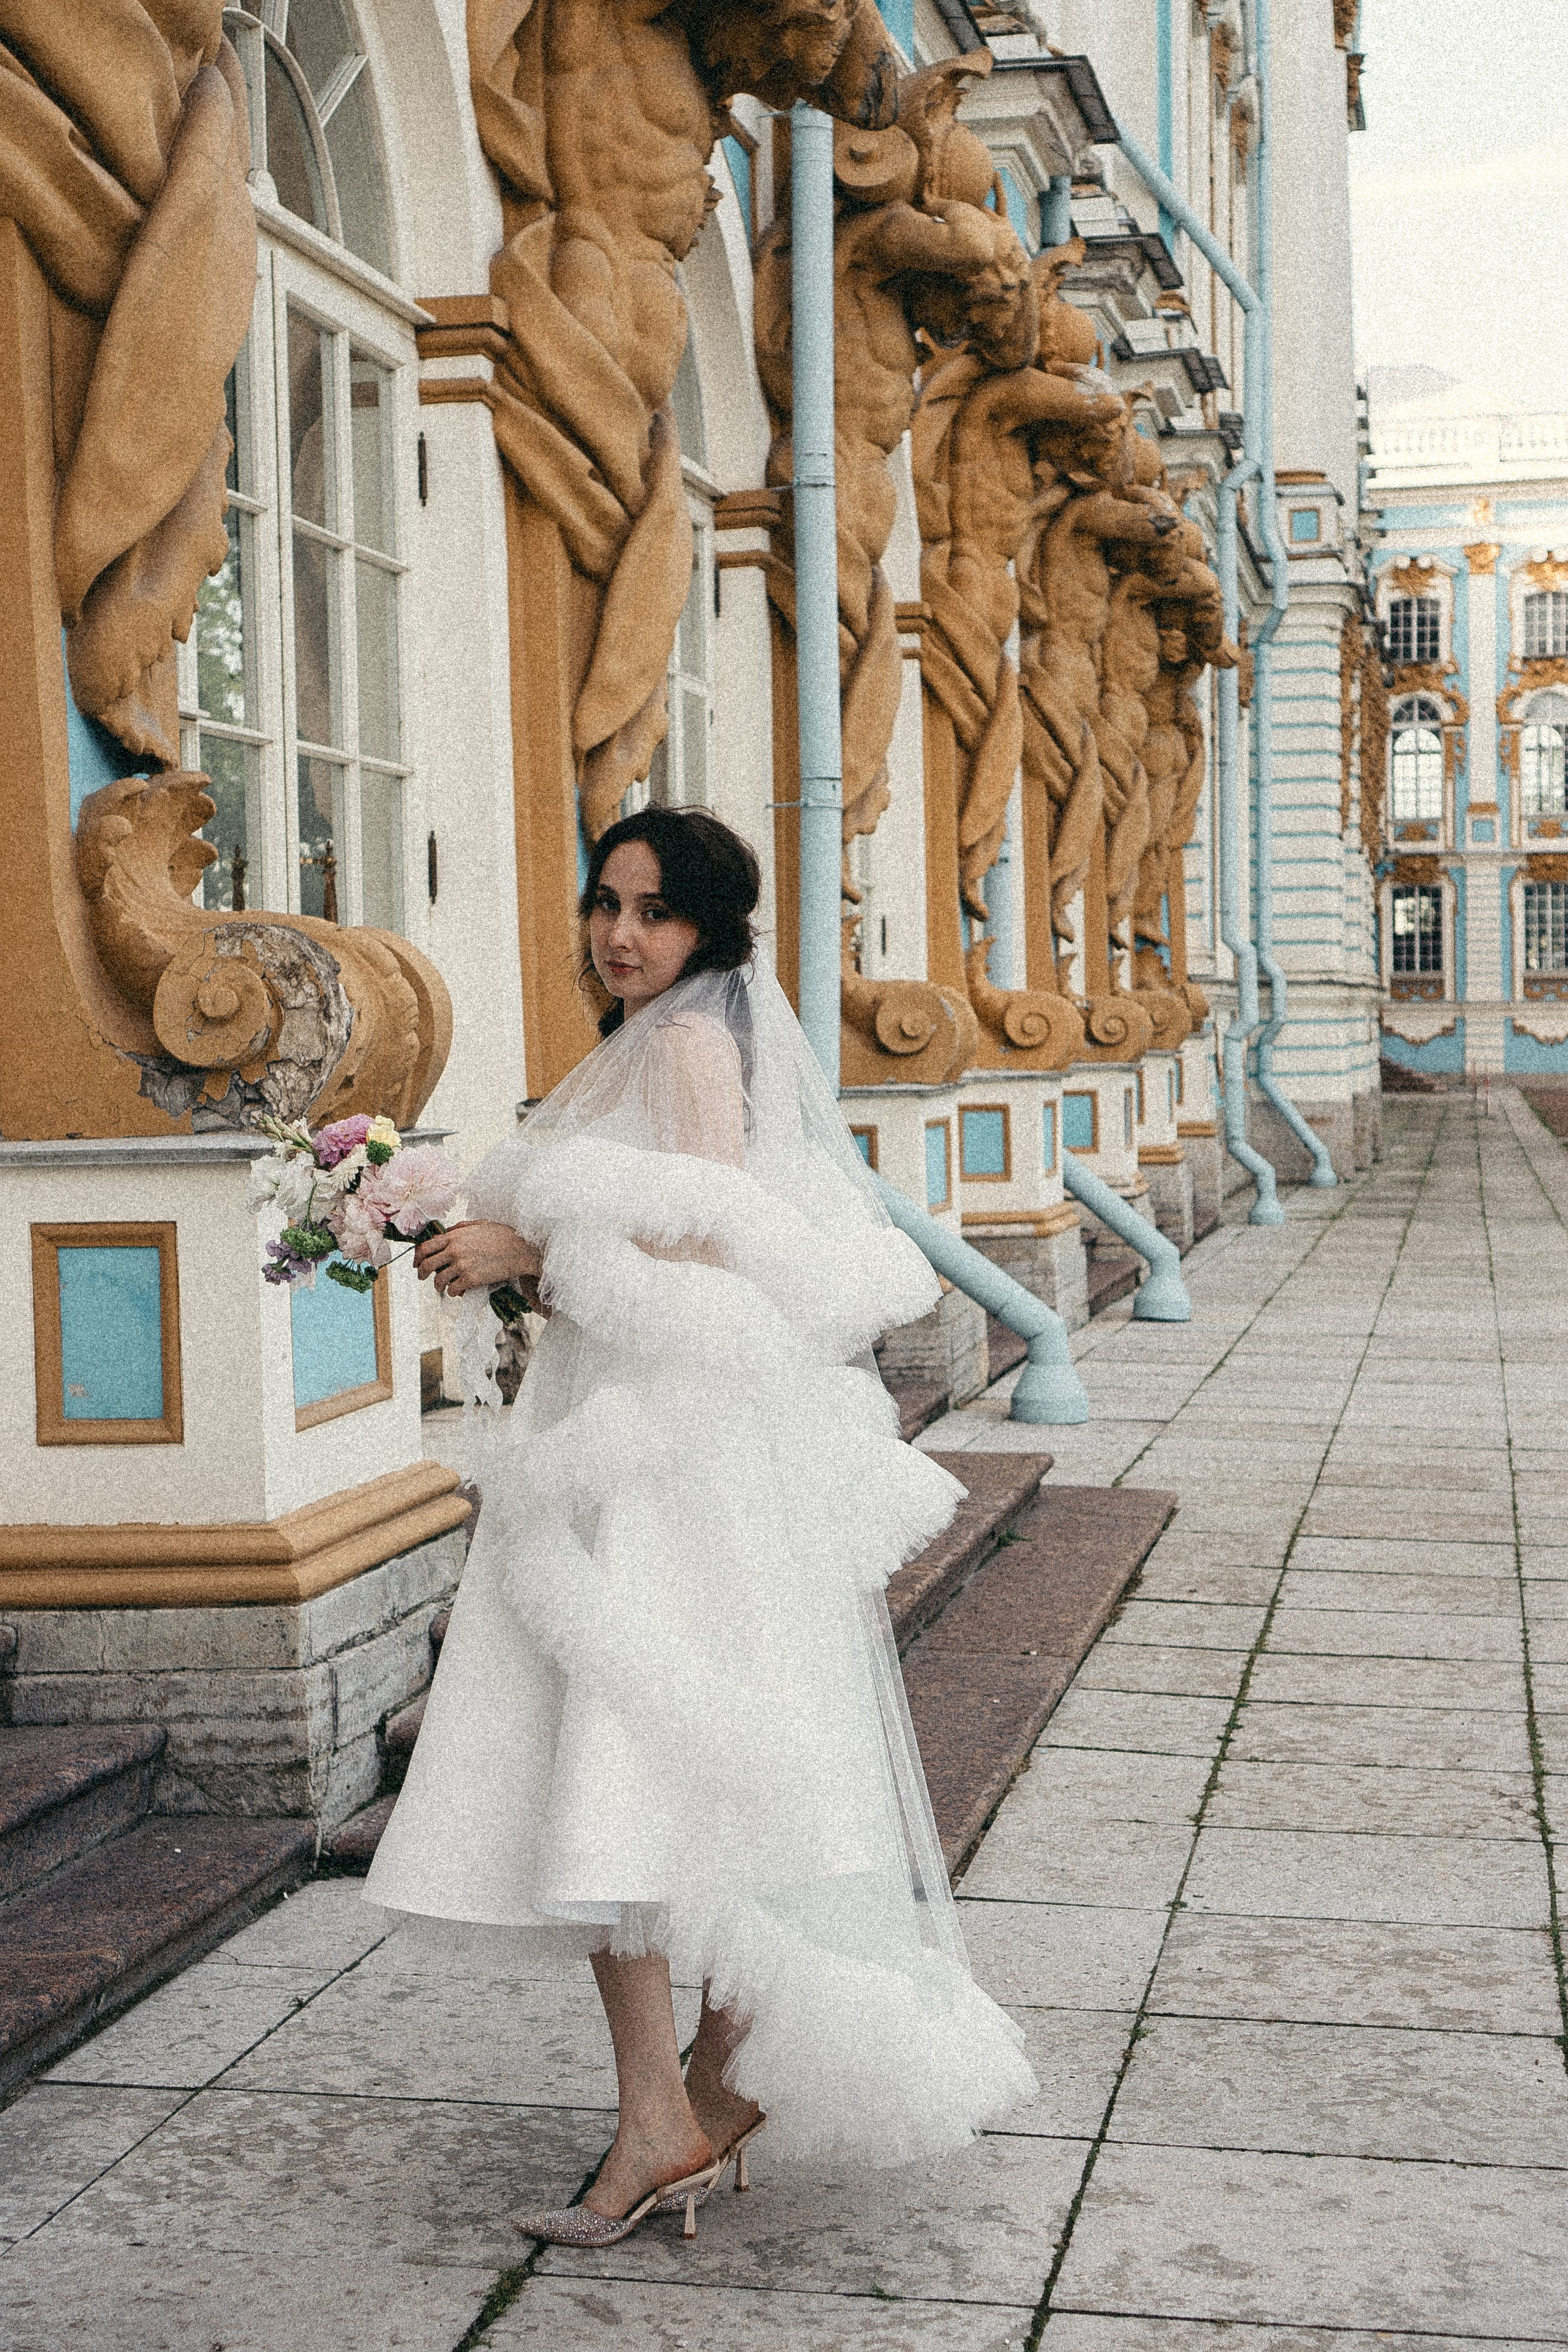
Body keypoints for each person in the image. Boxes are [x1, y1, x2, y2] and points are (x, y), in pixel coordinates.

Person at [364, 806, 1035, 2246]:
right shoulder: (658, 1034)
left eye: (654, 911)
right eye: (606, 902)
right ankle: (707, 2080)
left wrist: (527, 1244)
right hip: (635, 1425)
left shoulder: (683, 1043)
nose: (620, 934)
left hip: (653, 1448)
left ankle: (664, 2117)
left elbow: (702, 1230)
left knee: (620, 1760)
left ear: (709, 928)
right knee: (659, 1761)